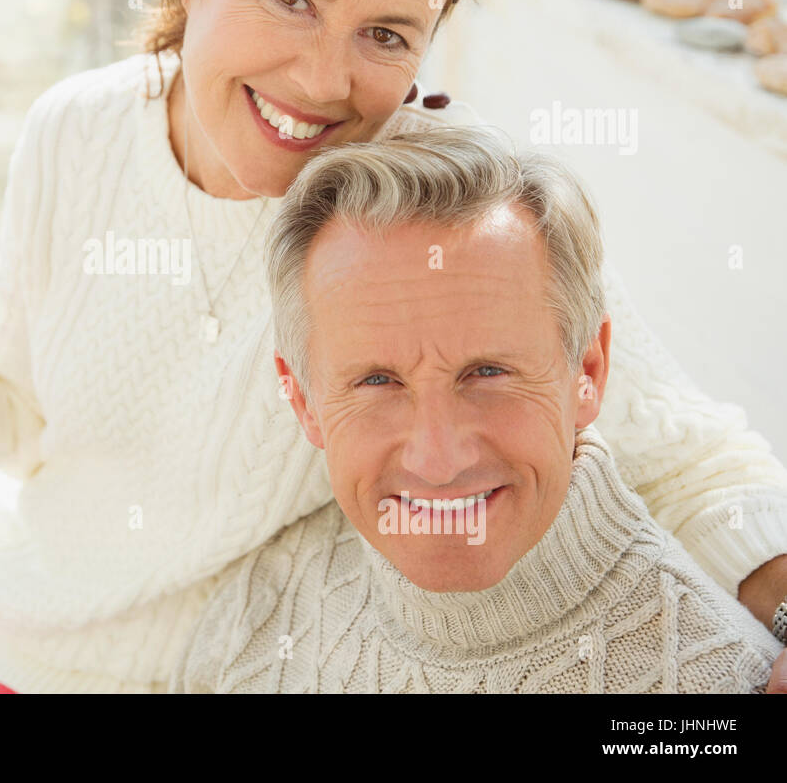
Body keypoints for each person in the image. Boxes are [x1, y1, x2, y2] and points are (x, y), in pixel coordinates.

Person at [0, 0, 787, 693]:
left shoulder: (432, 206)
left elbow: (688, 454)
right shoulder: (76, 128)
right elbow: (12, 410)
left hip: (149, 668)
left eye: (384, 34)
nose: (322, 79)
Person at [173, 128, 783, 692]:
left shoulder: (714, 692)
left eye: (488, 373)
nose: (438, 459)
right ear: (302, 401)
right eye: (377, 381)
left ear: (588, 373)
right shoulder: (258, 615)